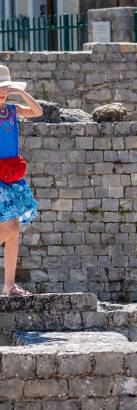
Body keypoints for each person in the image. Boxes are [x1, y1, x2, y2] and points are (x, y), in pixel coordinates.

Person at [0, 65, 43, 296]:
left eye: (5, 89)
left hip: (11, 176)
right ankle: (8, 285)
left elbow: (37, 112)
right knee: (11, 227)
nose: (2, 93)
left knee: (15, 230)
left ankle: (9, 285)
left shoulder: (11, 109)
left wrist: (21, 93)